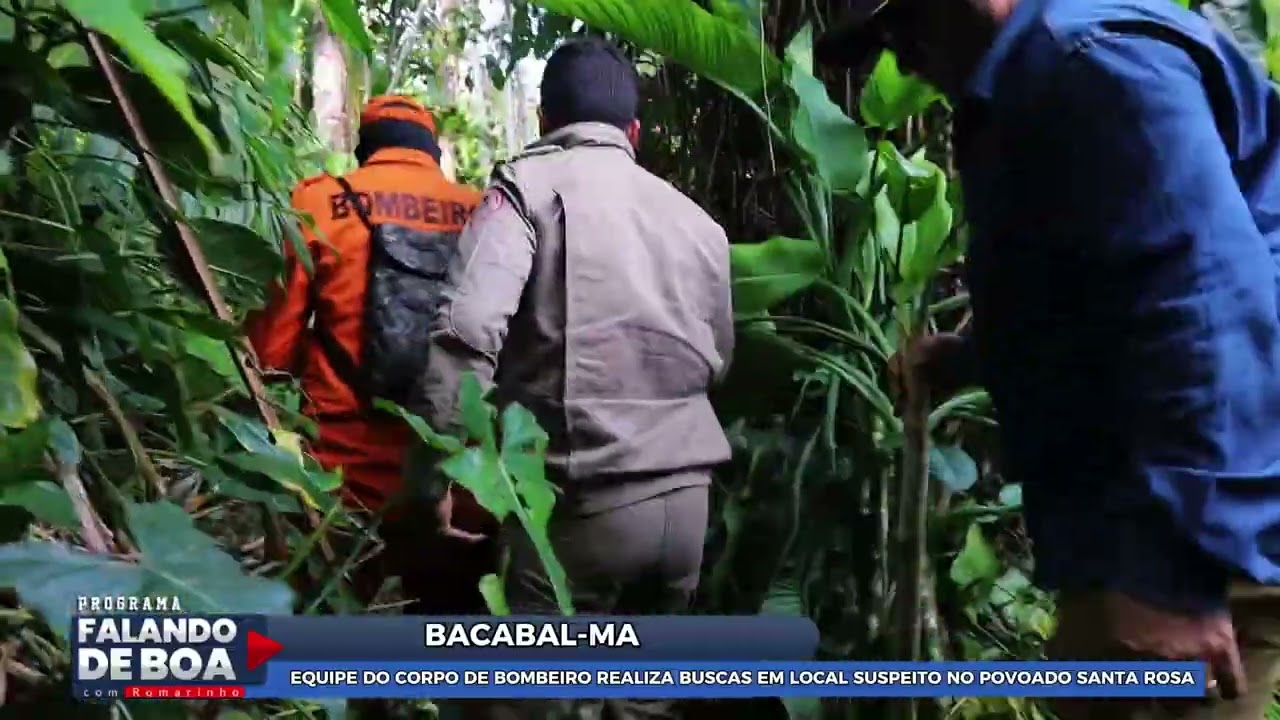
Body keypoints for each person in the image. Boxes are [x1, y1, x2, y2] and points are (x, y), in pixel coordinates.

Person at [817, 0, 1280, 717]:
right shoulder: (1042, 74)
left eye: (908, 26)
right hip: (1151, 522)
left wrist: (1174, 577)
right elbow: (1109, 292)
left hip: (1194, 536)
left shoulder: (1088, 64)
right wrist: (972, 357)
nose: (902, 61)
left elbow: (1209, 308)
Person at [406, 37, 735, 720]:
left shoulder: (527, 189)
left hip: (584, 507)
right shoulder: (700, 225)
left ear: (544, 119)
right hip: (688, 507)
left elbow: (465, 338)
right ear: (634, 133)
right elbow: (719, 358)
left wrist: (432, 484)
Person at [246, 95, 496, 614]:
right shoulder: (485, 212)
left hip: (342, 482)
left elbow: (270, 354)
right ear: (433, 153)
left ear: (366, 150)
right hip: (459, 484)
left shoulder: (320, 201)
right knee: (457, 640)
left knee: (328, 635)